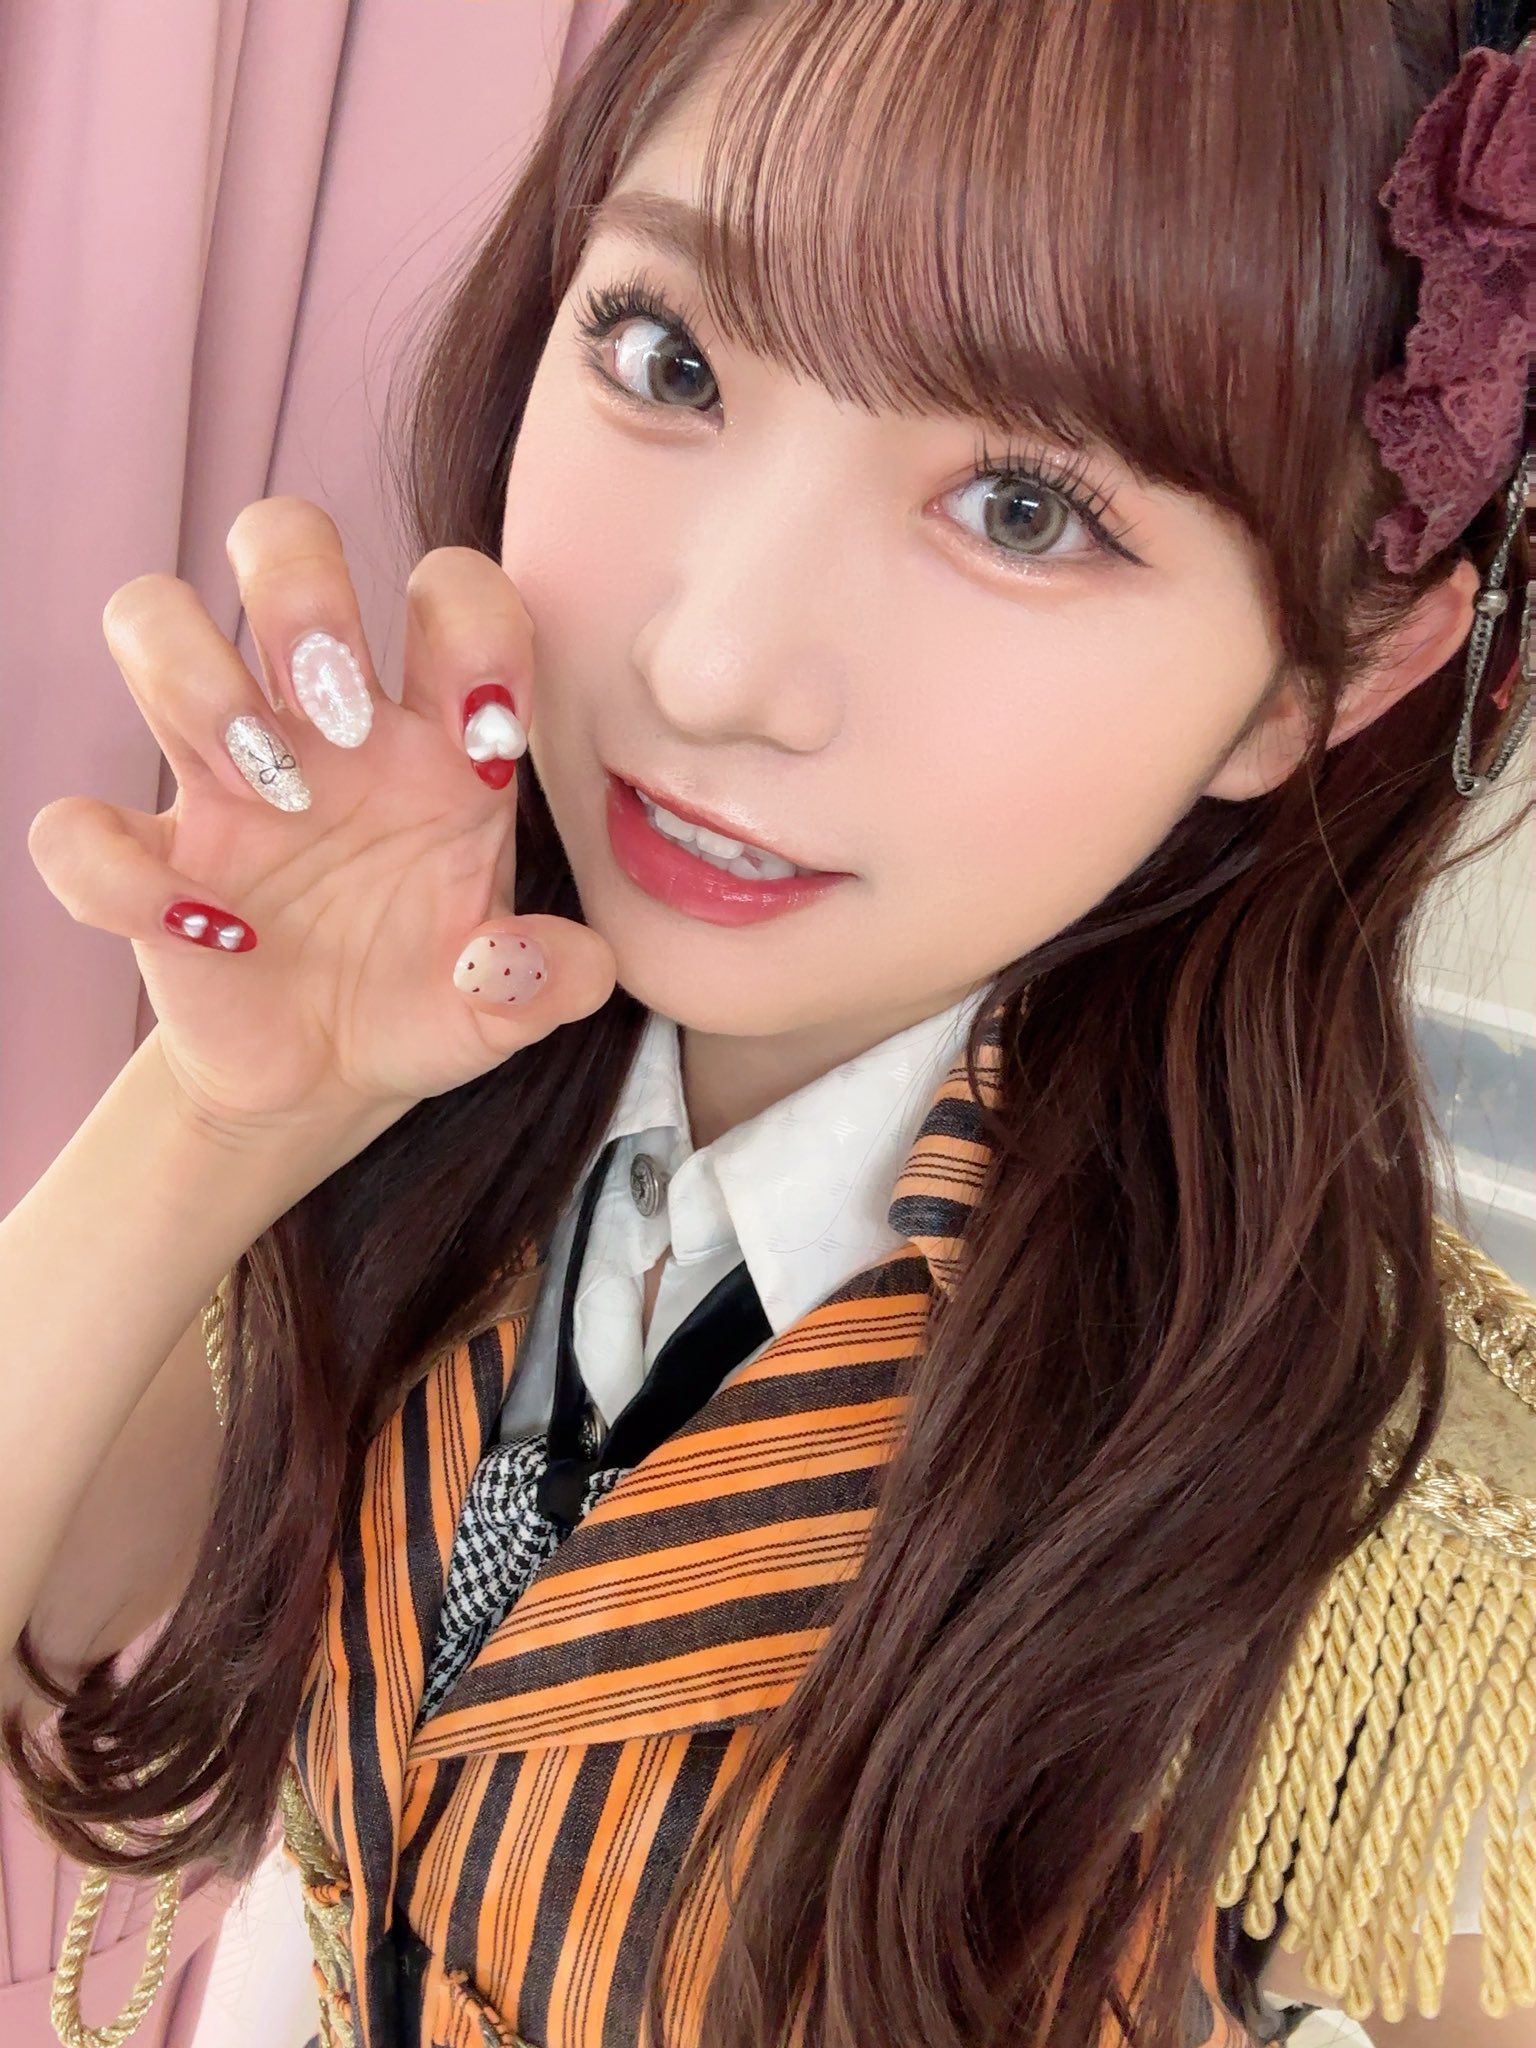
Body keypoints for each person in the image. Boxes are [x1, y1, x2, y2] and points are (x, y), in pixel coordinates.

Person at [3, 1, 1534, 2044]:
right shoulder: (426, 1138)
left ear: (1316, 679)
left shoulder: (1398, 1560)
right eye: (669, 358)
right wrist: (214, 1124)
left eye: (1025, 510)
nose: (714, 665)